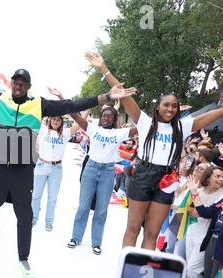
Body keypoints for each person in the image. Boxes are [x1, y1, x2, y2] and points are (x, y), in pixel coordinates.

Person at [0, 67, 137, 278]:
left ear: (28, 86)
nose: (18, 85)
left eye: (22, 82)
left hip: (24, 168)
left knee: (24, 215)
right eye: (15, 81)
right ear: (11, 83)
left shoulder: (39, 104)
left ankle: (23, 259)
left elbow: (71, 105)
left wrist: (106, 97)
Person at [85, 52, 223, 250]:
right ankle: (126, 270)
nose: (171, 109)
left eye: (174, 106)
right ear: (158, 106)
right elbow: (123, 94)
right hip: (143, 174)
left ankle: (140, 275)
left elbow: (210, 115)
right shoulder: (144, 121)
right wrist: (103, 68)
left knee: (152, 232)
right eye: (166, 105)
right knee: (132, 228)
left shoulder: (182, 126)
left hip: (166, 178)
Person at [67, 107, 136, 254]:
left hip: (107, 172)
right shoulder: (93, 129)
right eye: (104, 116)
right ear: (100, 117)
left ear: (114, 119)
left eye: (109, 117)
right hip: (90, 169)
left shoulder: (119, 133)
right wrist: (61, 98)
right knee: (83, 206)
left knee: (101, 210)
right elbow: (75, 116)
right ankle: (76, 237)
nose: (106, 119)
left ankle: (96, 242)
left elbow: (140, 128)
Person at [31, 115, 78, 231]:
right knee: (36, 195)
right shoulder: (43, 130)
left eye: (58, 120)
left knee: (52, 198)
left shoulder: (65, 134)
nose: (56, 122)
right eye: (54, 119)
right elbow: (36, 115)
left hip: (56, 169)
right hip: (42, 165)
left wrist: (86, 110)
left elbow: (78, 125)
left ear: (61, 122)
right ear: (50, 120)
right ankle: (33, 218)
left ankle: (49, 221)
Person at [187, 173, 223, 278]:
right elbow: (205, 212)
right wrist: (194, 191)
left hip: (219, 247)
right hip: (212, 241)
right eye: (217, 176)